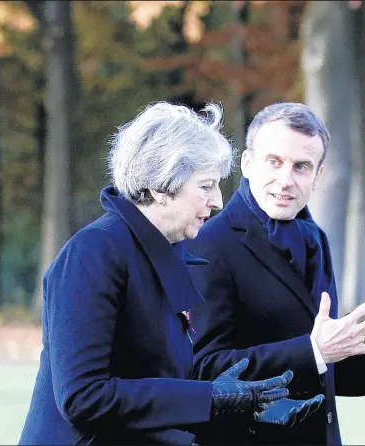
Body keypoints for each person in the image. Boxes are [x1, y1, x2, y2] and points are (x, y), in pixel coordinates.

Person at [18, 102, 325, 446]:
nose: (217, 201)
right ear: (161, 188)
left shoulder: (167, 252)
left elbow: (154, 387)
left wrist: (233, 406)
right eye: (206, 186)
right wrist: (210, 398)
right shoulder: (93, 254)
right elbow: (83, 397)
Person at [184, 102, 365, 445]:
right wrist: (313, 351)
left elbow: (324, 365)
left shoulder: (315, 239)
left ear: (318, 176)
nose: (285, 180)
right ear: (247, 163)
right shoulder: (209, 245)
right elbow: (204, 371)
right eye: (274, 162)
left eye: (301, 167)